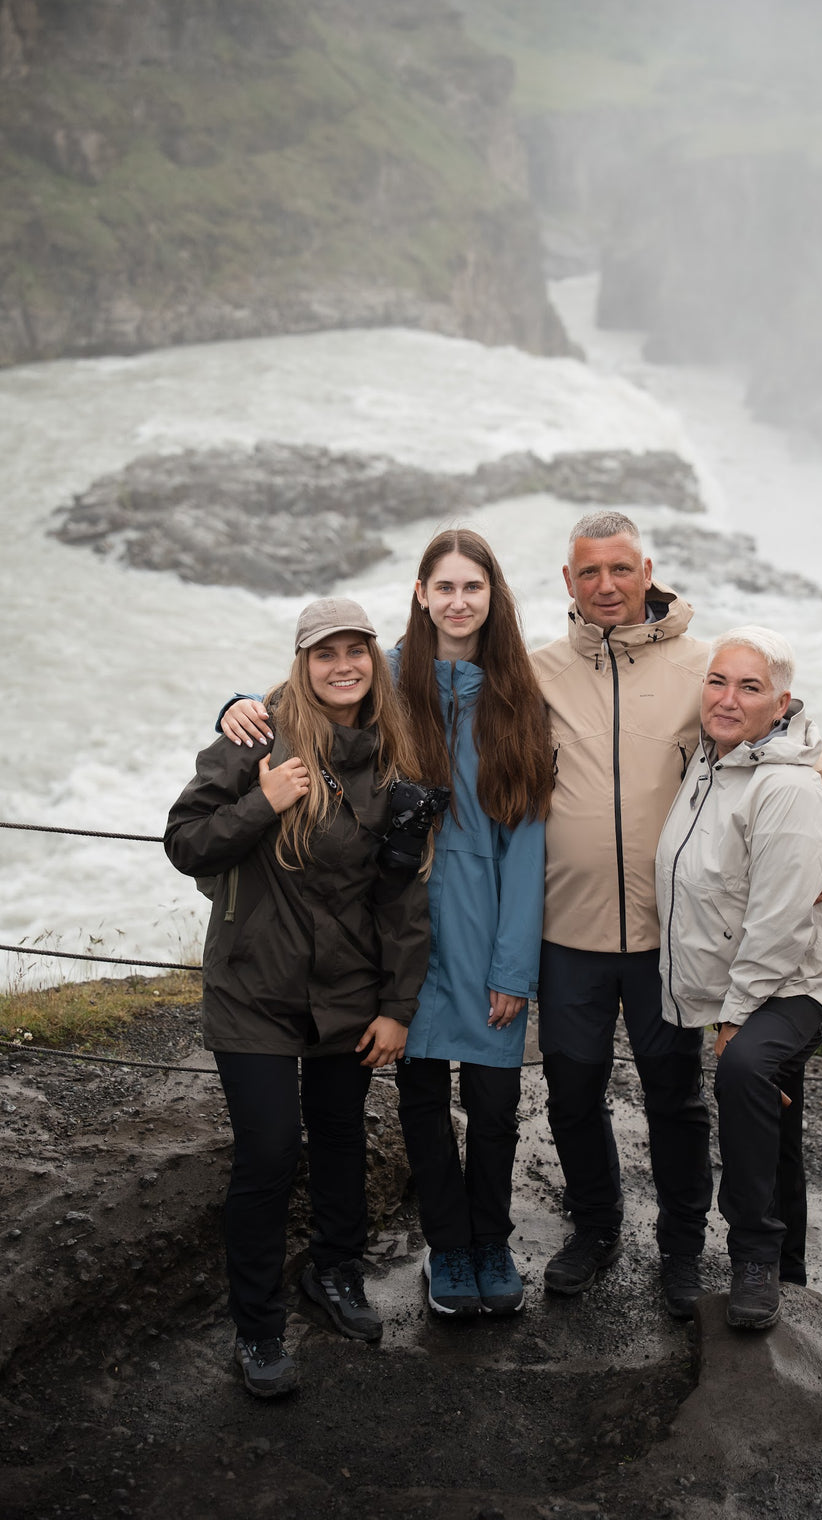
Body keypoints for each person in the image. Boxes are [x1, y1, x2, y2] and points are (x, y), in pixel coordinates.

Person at [530, 511, 822, 1317]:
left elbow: (816, 767)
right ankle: (595, 1228)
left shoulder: (705, 668)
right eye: (588, 572)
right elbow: (437, 686)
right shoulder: (538, 672)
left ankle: (681, 1247)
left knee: (674, 1101)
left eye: (620, 569)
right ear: (568, 580)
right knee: (571, 1092)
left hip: (667, 941)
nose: (606, 585)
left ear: (646, 571)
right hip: (567, 930)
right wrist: (248, 705)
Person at [219, 532, 551, 1319]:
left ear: (493, 595)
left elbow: (528, 844)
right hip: (397, 932)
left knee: (495, 1107)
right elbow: (304, 697)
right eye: (445, 587)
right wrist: (234, 704)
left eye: (474, 587)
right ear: (420, 593)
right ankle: (449, 1248)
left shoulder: (519, 696)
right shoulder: (387, 675)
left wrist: (514, 967)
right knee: (422, 1102)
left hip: (486, 930)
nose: (459, 602)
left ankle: (492, 1241)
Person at [165, 598, 430, 1397]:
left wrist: (398, 1007)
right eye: (325, 653)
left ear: (374, 660)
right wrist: (263, 801)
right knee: (271, 1151)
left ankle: (334, 1272)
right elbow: (185, 842)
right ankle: (258, 1326)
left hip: (347, 993)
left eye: (356, 650)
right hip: (254, 989)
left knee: (342, 1138)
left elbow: (400, 898)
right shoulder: (254, 737)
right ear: (302, 663)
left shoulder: (393, 758)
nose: (342, 665)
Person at [656, 626, 822, 1330]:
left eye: (749, 688)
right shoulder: (710, 760)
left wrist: (734, 1016)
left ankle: (753, 1258)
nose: (727, 698)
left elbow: (778, 922)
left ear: (782, 704)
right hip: (752, 974)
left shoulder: (786, 785)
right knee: (773, 1112)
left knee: (744, 1068)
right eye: (717, 681)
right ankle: (789, 1268)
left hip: (803, 979)